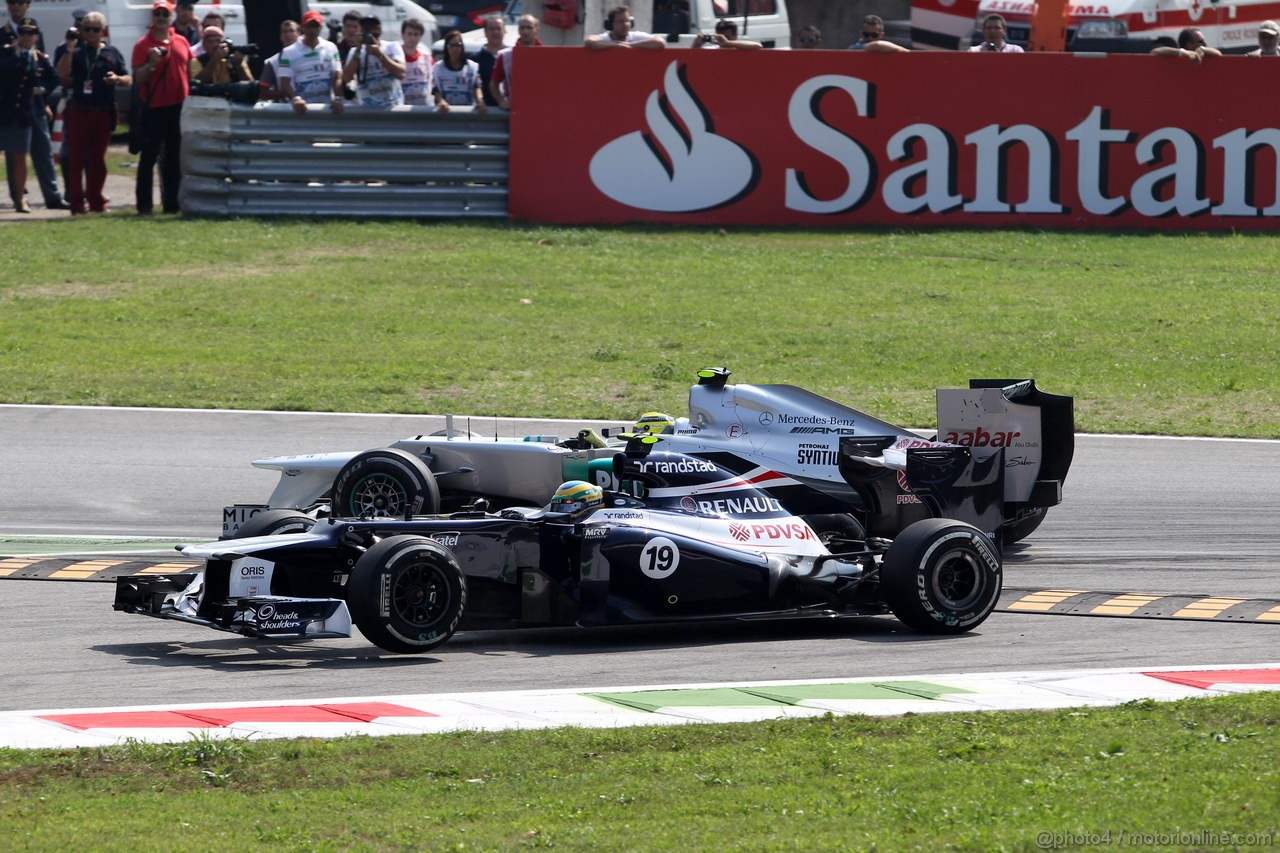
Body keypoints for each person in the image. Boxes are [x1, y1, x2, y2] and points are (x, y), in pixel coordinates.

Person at [56, 10, 128, 214]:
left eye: (96, 30)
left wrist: (117, 79)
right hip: (80, 110)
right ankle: (77, 204)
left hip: (103, 111)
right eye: (87, 29)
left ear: (102, 31)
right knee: (76, 158)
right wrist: (69, 49)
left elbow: (127, 79)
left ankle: (97, 201)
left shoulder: (111, 52)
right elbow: (62, 74)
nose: (91, 33)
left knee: (98, 159)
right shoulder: (77, 53)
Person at [1, 3, 68, 210]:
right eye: (12, 2)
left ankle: (52, 196)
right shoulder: (3, 37)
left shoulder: (36, 39)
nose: (16, 7)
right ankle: (20, 196)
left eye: (21, 2)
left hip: (35, 105)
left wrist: (44, 98)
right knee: (16, 153)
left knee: (44, 150)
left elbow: (46, 74)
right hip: (14, 106)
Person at [131, 0, 193, 215]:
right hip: (155, 107)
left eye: (164, 14)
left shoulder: (182, 41)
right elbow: (138, 78)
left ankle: (171, 204)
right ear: (152, 17)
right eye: (157, 14)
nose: (160, 18)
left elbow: (190, 71)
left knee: (174, 159)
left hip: (178, 107)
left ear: (171, 17)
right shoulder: (143, 44)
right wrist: (151, 65)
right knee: (148, 158)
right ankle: (144, 206)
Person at [278, 10, 343, 114]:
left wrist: (338, 98)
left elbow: (337, 76)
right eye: (309, 26)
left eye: (315, 26)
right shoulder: (288, 52)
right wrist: (295, 99)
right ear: (303, 27)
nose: (312, 30)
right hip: (303, 109)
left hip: (327, 108)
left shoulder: (331, 47)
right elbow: (284, 84)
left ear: (321, 28)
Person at [342, 14, 405, 107]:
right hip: (368, 109)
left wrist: (379, 55)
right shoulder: (355, 52)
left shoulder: (392, 46)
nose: (369, 32)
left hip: (393, 106)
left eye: (372, 28)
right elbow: (347, 78)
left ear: (380, 30)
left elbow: (401, 73)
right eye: (365, 29)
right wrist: (358, 50)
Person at [490, 14, 540, 110]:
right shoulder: (505, 55)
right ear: (518, 30)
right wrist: (501, 101)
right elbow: (493, 84)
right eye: (522, 28)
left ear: (537, 30)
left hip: (540, 109)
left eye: (529, 28)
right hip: (515, 111)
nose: (525, 31)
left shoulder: (547, 54)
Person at [433, 29, 484, 112]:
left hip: (466, 113)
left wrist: (480, 101)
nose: (455, 49)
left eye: (458, 45)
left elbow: (477, 87)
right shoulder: (438, 67)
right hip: (446, 112)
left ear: (462, 47)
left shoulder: (473, 67)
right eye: (451, 46)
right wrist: (440, 101)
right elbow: (435, 89)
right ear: (446, 47)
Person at [586, 5, 665, 50]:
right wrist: (616, 45)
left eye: (627, 21)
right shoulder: (605, 38)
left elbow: (660, 42)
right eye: (620, 21)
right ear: (610, 24)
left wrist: (630, 45)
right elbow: (589, 41)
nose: (625, 25)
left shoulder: (636, 36)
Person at [259, 19, 300, 102]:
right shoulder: (272, 62)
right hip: (287, 108)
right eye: (285, 32)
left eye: (291, 31)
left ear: (299, 34)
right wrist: (286, 92)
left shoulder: (309, 55)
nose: (288, 34)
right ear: (281, 36)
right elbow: (263, 93)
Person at [470, 14, 505, 108]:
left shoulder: (512, 56)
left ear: (504, 31)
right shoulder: (475, 59)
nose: (495, 32)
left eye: (498, 28)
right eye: (491, 29)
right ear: (485, 32)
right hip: (485, 111)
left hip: (510, 110)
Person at [399, 17, 432, 107]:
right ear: (403, 35)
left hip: (423, 108)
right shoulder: (395, 56)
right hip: (401, 108)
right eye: (409, 34)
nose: (412, 38)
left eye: (416, 34)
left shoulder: (426, 57)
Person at [1151, 27, 1221, 62]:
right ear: (1189, 45)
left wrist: (1203, 49)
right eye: (1200, 42)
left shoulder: (1204, 54)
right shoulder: (1177, 57)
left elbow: (1218, 53)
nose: (1205, 44)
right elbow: (1155, 51)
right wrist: (1182, 52)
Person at [692, 18, 762, 50]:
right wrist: (696, 45)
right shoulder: (713, 51)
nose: (723, 39)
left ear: (735, 35)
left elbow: (758, 46)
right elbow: (693, 58)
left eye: (726, 37)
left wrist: (728, 43)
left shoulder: (741, 49)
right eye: (720, 37)